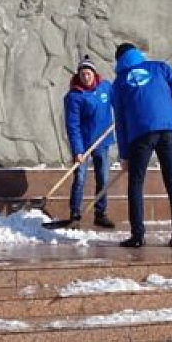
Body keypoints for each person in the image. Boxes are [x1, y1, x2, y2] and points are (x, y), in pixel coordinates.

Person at [111, 42, 172, 248]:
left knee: (136, 183)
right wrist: (170, 114)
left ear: (119, 60)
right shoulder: (159, 67)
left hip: (140, 133)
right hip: (167, 131)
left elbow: (120, 121)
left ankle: (138, 236)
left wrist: (124, 155)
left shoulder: (119, 82)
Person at [61, 57, 116, 228]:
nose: (86, 77)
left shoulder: (105, 87)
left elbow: (119, 101)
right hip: (83, 144)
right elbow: (73, 125)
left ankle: (101, 213)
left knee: (103, 178)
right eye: (83, 74)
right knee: (80, 178)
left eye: (88, 73)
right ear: (79, 75)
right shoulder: (74, 96)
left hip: (102, 141)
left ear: (94, 73)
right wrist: (78, 150)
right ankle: (75, 214)